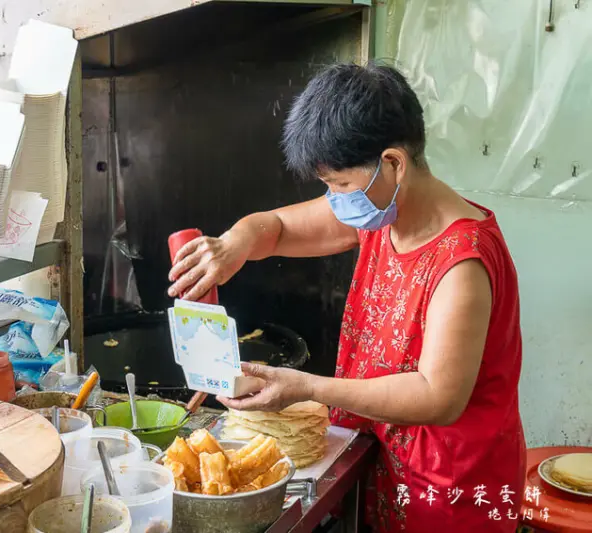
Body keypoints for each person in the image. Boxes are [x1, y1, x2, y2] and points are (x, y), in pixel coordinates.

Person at [167, 63, 526, 533]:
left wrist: (307, 387)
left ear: (393, 164)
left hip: (448, 491)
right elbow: (278, 229)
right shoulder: (380, 210)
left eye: (339, 184)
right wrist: (235, 242)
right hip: (381, 462)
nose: (334, 198)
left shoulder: (461, 263)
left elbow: (437, 396)